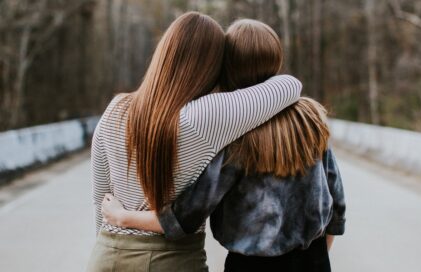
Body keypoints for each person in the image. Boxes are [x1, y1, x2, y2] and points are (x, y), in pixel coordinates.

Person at [101, 19, 345, 272]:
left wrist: (124, 217)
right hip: (313, 259)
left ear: (227, 66)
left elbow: (185, 216)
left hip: (249, 265)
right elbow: (335, 196)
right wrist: (318, 254)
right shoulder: (310, 119)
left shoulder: (235, 131)